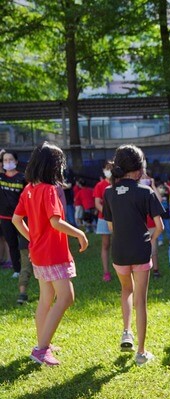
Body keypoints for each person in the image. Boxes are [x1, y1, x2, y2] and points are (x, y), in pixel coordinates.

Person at [12, 142, 89, 366]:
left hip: (37, 253)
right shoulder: (49, 190)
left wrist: (33, 239)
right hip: (54, 254)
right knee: (66, 297)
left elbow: (17, 220)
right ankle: (41, 349)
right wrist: (79, 234)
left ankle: (43, 342)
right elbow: (56, 222)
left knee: (47, 299)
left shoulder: (29, 189)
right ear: (54, 167)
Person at [103, 145, 164, 366]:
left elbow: (111, 228)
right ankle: (141, 352)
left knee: (125, 290)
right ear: (140, 168)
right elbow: (160, 227)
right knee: (141, 299)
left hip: (119, 252)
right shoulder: (145, 191)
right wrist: (149, 237)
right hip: (140, 252)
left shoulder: (108, 192)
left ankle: (126, 331)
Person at [0, 150, 27, 280]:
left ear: (16, 161)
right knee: (12, 244)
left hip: (21, 218)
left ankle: (30, 267)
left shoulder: (23, 178)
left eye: (10, 160)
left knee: (25, 244)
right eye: (5, 160)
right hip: (5, 218)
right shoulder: (1, 178)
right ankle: (17, 269)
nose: (8, 162)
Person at [94, 161, 114, 282]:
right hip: (103, 219)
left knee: (120, 244)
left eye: (110, 168)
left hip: (118, 219)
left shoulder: (118, 184)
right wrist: (108, 215)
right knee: (105, 244)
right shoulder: (100, 185)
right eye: (107, 168)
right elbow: (97, 203)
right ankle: (106, 272)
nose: (108, 170)